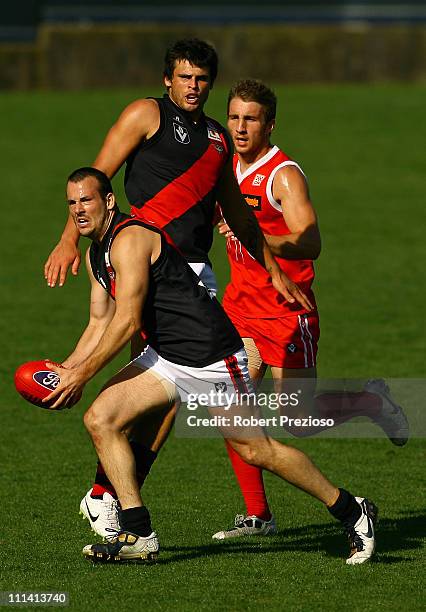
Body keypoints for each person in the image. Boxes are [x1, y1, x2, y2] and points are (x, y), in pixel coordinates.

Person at [43, 39, 312, 539]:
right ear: (169, 80)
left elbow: (241, 220)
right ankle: (108, 495)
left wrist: (275, 271)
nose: (193, 86)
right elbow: (96, 176)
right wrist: (66, 240)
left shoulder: (217, 138)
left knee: (167, 398)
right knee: (148, 389)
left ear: (210, 82)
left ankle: (114, 496)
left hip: (197, 272)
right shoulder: (146, 114)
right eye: (184, 77)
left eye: (202, 79)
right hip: (145, 265)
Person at [46, 167, 378, 565]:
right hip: (168, 356)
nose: (79, 209)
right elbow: (99, 323)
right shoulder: (96, 250)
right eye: (72, 203)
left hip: (212, 357)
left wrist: (83, 375)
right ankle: (138, 532)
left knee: (256, 450)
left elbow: (128, 320)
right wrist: (67, 369)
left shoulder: (129, 239)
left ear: (109, 201)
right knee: (101, 418)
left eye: (87, 200)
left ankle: (351, 510)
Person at [212, 79, 408, 540]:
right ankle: (258, 515)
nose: (240, 127)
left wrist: (258, 238)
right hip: (239, 309)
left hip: (286, 312)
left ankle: (371, 401)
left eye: (251, 119)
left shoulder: (283, 175)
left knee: (297, 423)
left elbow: (312, 241)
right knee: (228, 407)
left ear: (270, 124)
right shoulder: (224, 166)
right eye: (235, 117)